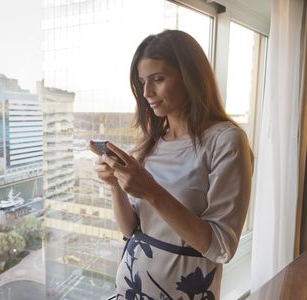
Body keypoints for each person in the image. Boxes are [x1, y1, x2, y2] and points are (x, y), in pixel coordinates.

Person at [89, 29, 253, 299]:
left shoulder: (226, 140)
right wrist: (114, 186)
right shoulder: (153, 142)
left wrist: (151, 191)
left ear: (191, 77)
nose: (146, 92)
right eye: (142, 82)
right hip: (131, 286)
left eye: (158, 79)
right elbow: (130, 229)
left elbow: (222, 247)